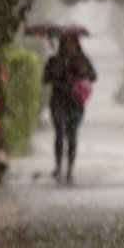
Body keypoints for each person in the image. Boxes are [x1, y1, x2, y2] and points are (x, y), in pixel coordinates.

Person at [43, 32, 96, 183]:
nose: (68, 45)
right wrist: (54, 72)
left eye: (71, 42)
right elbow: (45, 78)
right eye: (65, 42)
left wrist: (83, 71)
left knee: (72, 135)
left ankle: (70, 169)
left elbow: (93, 76)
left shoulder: (82, 60)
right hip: (58, 101)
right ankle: (59, 167)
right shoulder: (54, 60)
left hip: (75, 104)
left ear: (76, 43)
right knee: (59, 133)